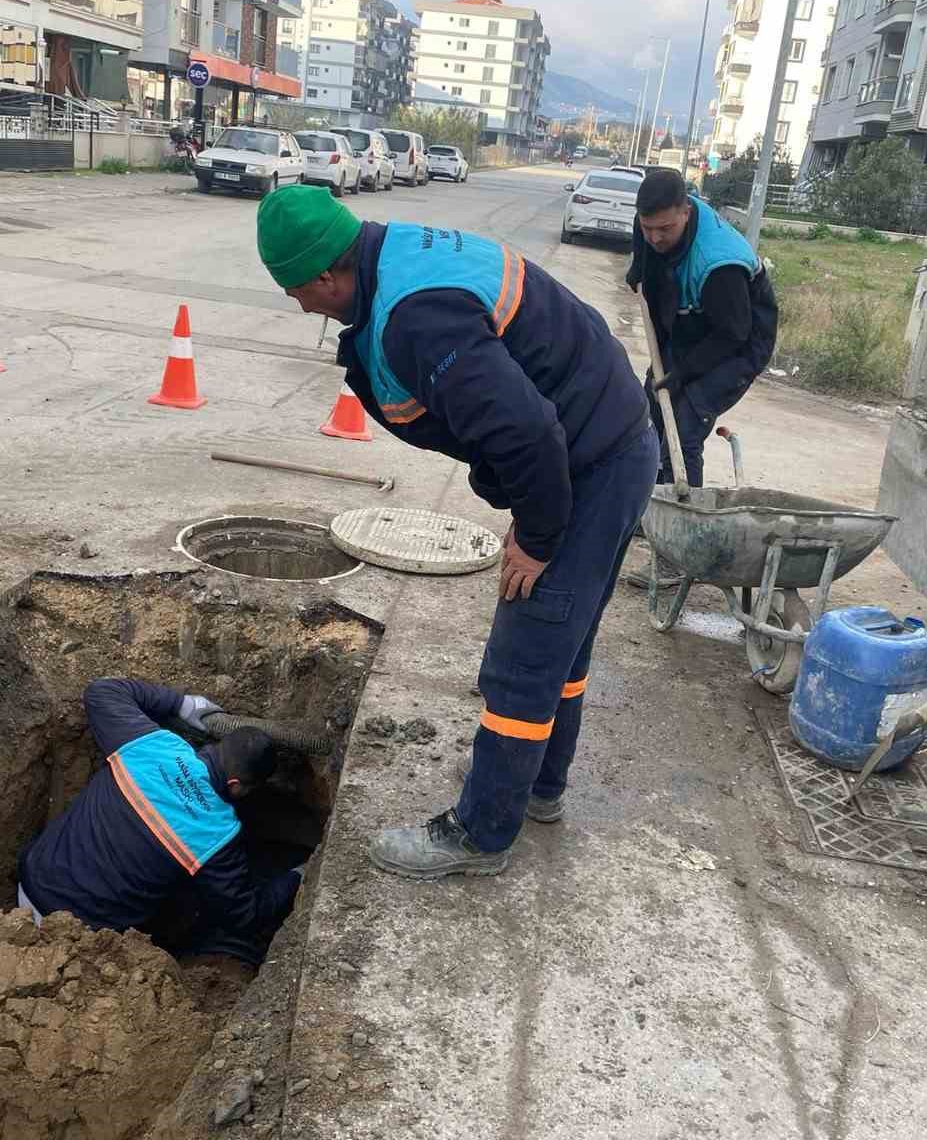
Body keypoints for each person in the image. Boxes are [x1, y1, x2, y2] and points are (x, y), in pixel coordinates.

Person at [255, 185, 657, 880]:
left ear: (327, 274)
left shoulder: (416, 319)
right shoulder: (398, 254)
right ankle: (541, 786)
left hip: (587, 462)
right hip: (611, 440)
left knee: (526, 651)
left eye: (296, 289)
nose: (298, 306)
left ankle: (482, 832)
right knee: (566, 640)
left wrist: (536, 534)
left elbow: (528, 433)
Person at [16, 677, 301, 961]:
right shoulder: (217, 834)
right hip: (84, 941)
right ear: (237, 786)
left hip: (27, 895)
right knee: (193, 904)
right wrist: (298, 876)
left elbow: (101, 690)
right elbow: (246, 915)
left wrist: (182, 704)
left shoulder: (153, 745)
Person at [625, 168, 778, 487]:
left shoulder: (719, 264)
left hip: (740, 336)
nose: (654, 237)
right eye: (647, 227)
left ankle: (684, 517)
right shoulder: (654, 222)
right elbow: (647, 239)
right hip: (690, 320)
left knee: (684, 426)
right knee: (649, 412)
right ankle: (646, 506)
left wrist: (682, 375)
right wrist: (638, 267)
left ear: (687, 210)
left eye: (664, 229)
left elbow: (732, 333)